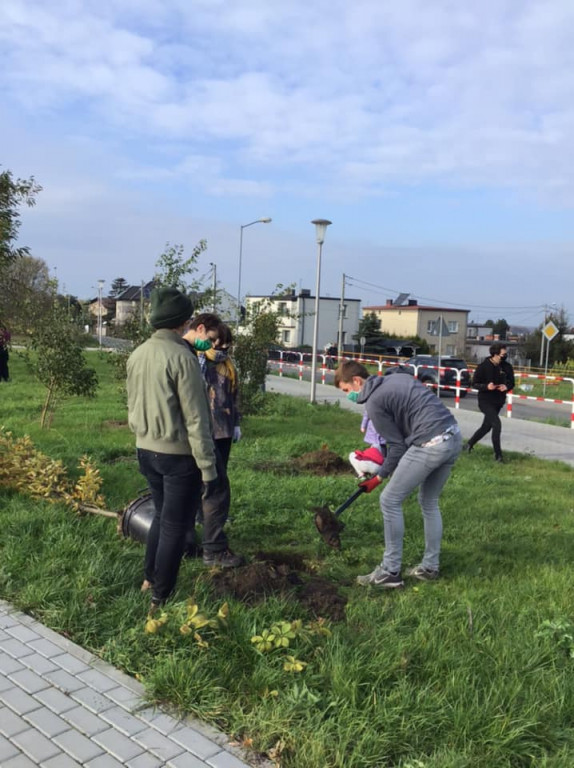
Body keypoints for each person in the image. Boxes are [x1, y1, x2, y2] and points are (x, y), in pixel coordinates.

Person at [126, 289, 235, 613]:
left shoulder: (138, 354)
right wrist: (209, 469)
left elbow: (132, 406)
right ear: (184, 322)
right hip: (177, 455)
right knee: (175, 525)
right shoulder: (182, 359)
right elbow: (196, 418)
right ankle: (160, 596)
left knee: (161, 515)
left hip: (145, 450)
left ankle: (149, 577)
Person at [335, 359, 462, 588]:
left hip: (430, 442)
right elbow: (403, 434)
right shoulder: (396, 379)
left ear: (357, 380)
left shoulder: (373, 402)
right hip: (452, 436)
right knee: (429, 501)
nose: (348, 396)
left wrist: (379, 477)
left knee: (389, 500)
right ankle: (430, 567)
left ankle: (390, 571)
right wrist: (393, 470)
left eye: (347, 390)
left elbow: (397, 446)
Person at [465, 342, 514, 462]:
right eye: (503, 354)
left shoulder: (507, 367)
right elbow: (474, 384)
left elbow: (512, 383)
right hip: (485, 401)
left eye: (505, 354)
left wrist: (506, 386)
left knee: (486, 427)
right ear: (495, 354)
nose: (505, 356)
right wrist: (487, 386)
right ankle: (498, 455)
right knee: (496, 424)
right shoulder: (483, 366)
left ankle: (468, 445)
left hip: (498, 401)